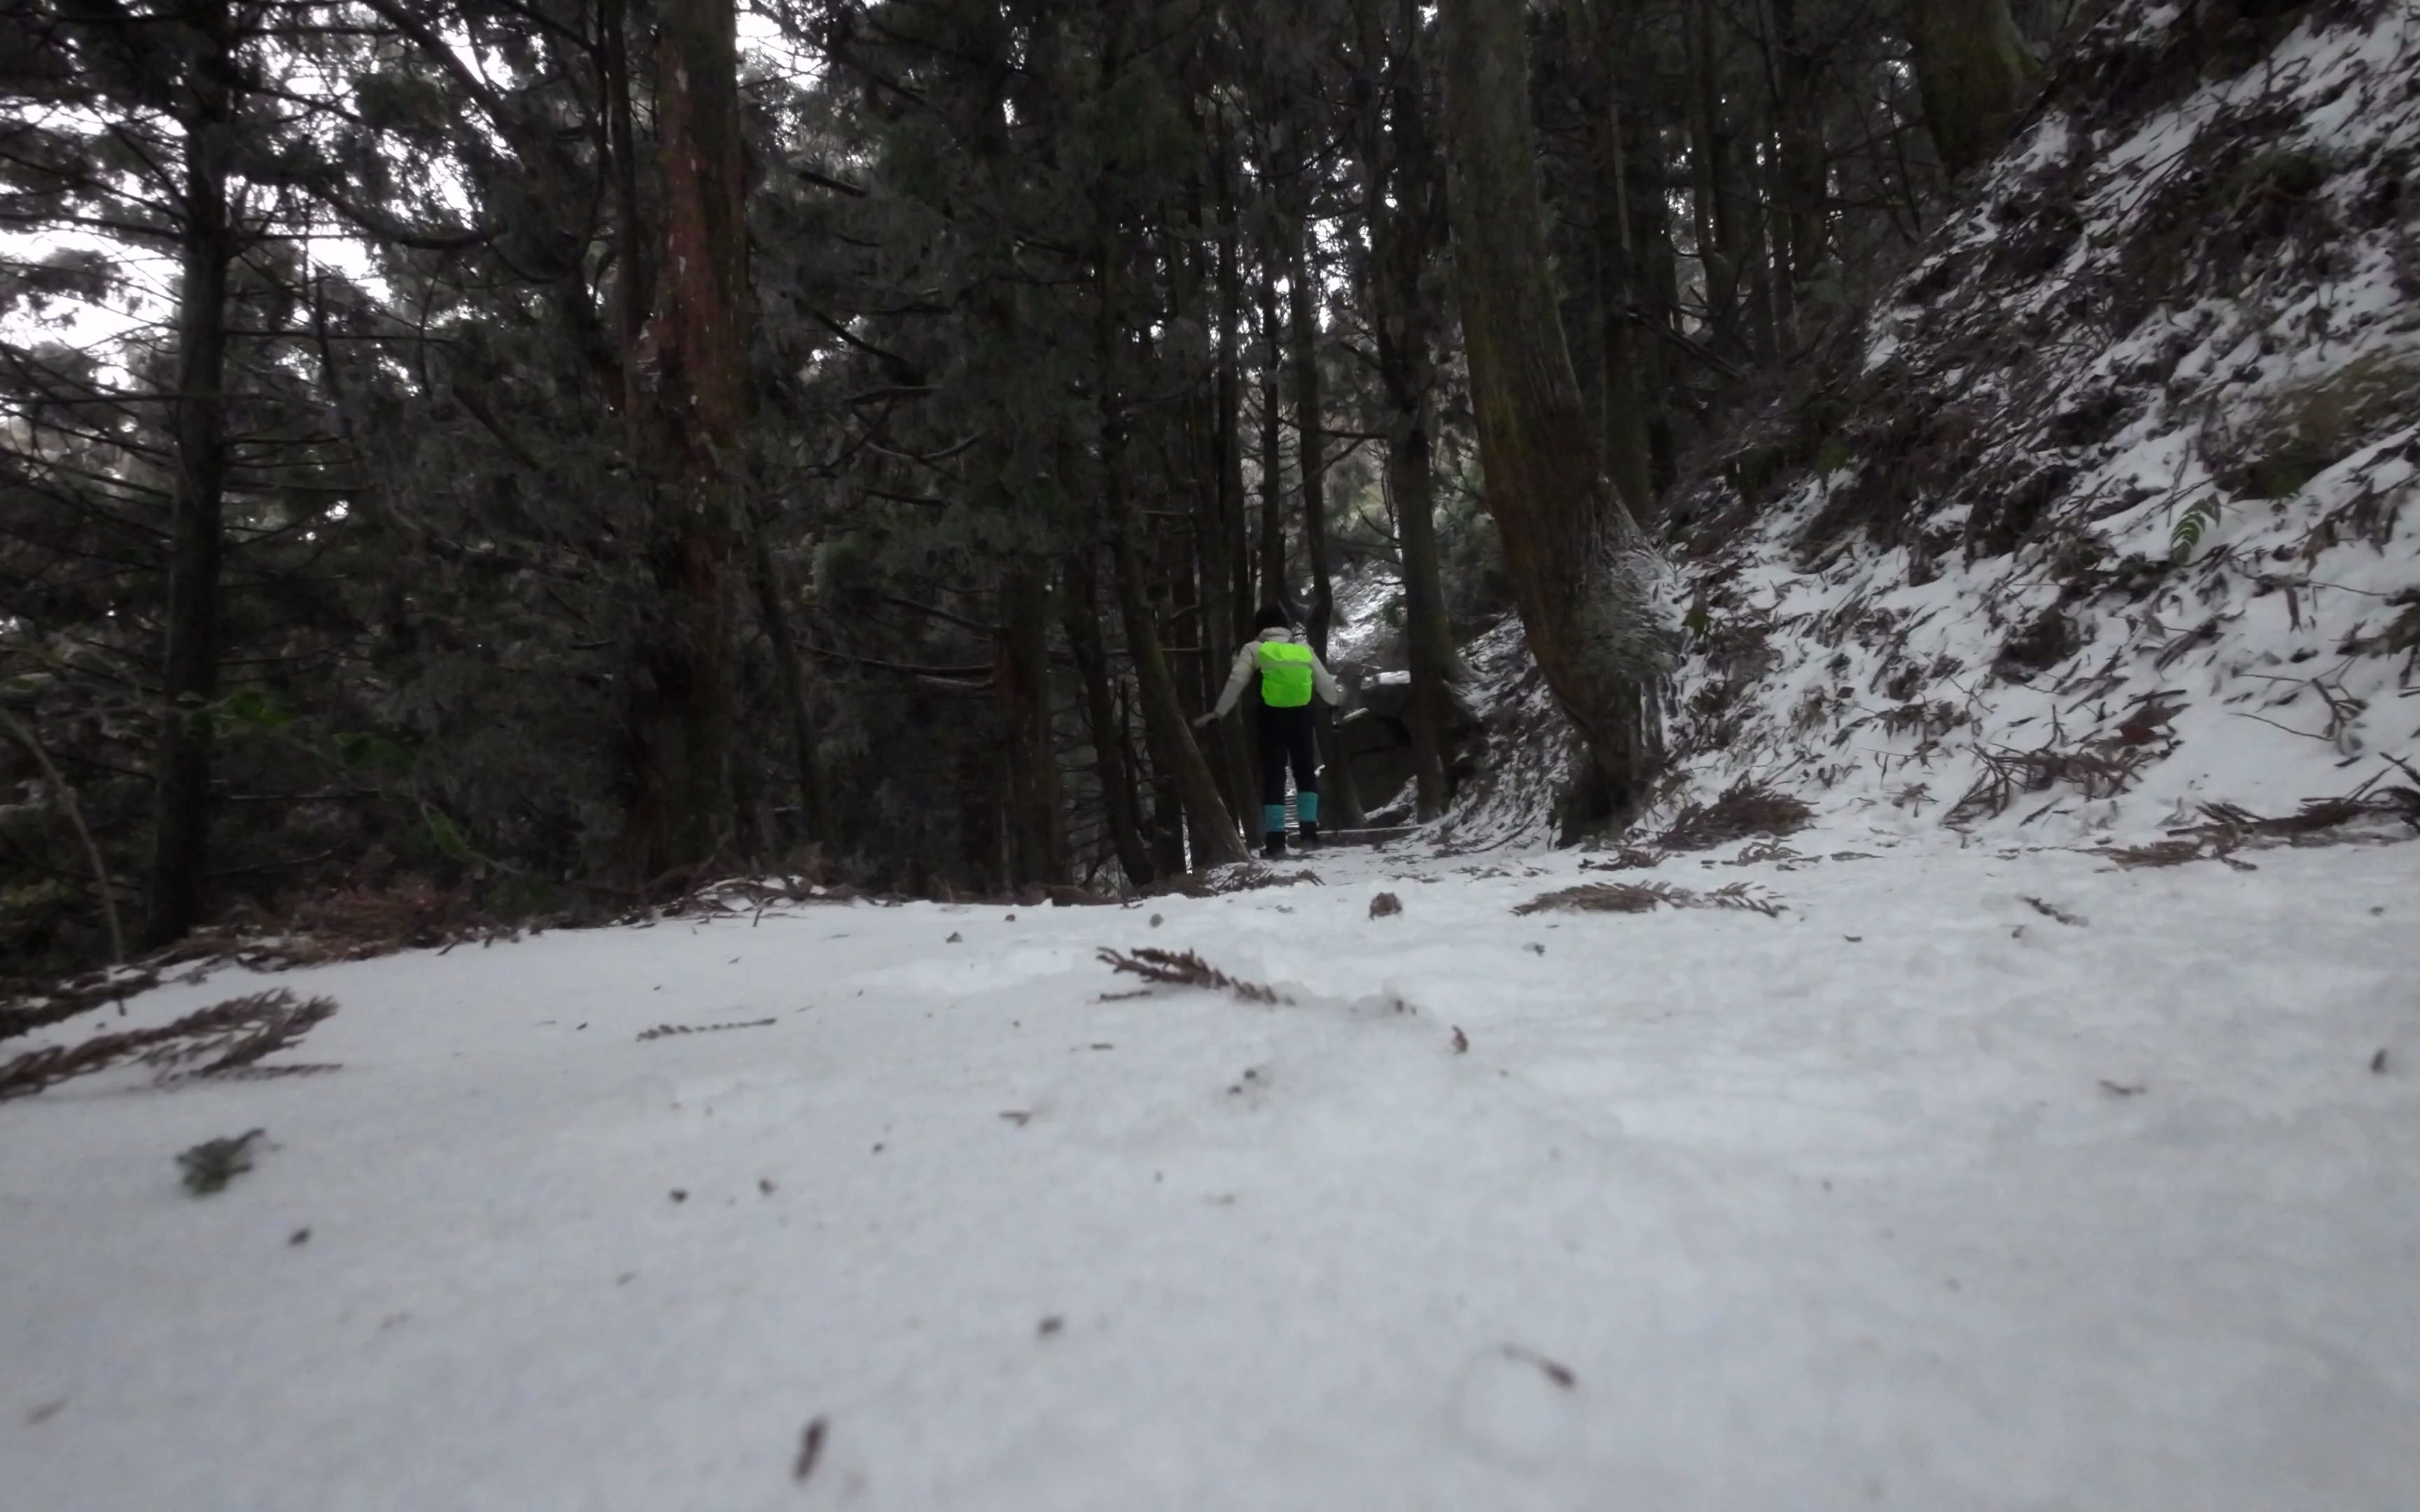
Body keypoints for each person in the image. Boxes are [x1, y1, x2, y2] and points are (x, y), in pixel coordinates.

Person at [1195, 603, 1344, 859]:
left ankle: (1276, 842)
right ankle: (1309, 834)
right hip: (1302, 716)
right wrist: (1335, 702)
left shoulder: (1255, 648)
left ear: (1260, 628)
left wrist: (1219, 712)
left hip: (1270, 718)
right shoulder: (1303, 649)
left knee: (1273, 775)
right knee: (1305, 771)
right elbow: (1326, 685)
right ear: (1285, 627)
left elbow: (1237, 680)